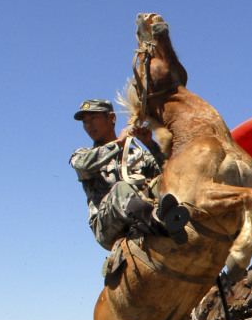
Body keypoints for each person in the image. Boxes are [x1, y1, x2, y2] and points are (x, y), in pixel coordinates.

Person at [70, 98, 189, 250]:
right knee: (121, 188)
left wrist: (150, 144)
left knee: (165, 182)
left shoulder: (138, 154)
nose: (89, 125)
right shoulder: (82, 154)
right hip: (107, 226)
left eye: (93, 118)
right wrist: (119, 144)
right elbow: (83, 166)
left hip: (143, 211)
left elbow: (170, 171)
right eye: (85, 122)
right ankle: (164, 225)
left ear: (112, 118)